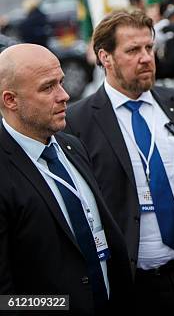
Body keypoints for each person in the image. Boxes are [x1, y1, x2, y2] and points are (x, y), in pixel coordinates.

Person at [64, 10, 174, 315]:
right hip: (138, 290)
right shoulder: (79, 121)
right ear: (105, 58)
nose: (145, 58)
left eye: (148, 48)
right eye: (132, 50)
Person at [0, 44, 132, 315]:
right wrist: (62, 305)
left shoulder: (71, 146)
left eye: (60, 82)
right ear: (10, 100)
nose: (64, 95)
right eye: (47, 88)